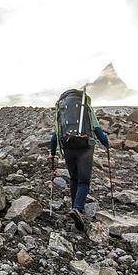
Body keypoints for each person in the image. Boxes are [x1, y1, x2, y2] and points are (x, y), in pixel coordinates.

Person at [49, 92, 109, 231]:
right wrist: (106, 143)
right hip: (85, 147)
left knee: (74, 179)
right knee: (84, 181)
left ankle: (73, 209)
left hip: (68, 147)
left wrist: (52, 153)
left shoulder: (62, 110)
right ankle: (77, 209)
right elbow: (97, 128)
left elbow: (55, 135)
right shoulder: (85, 107)